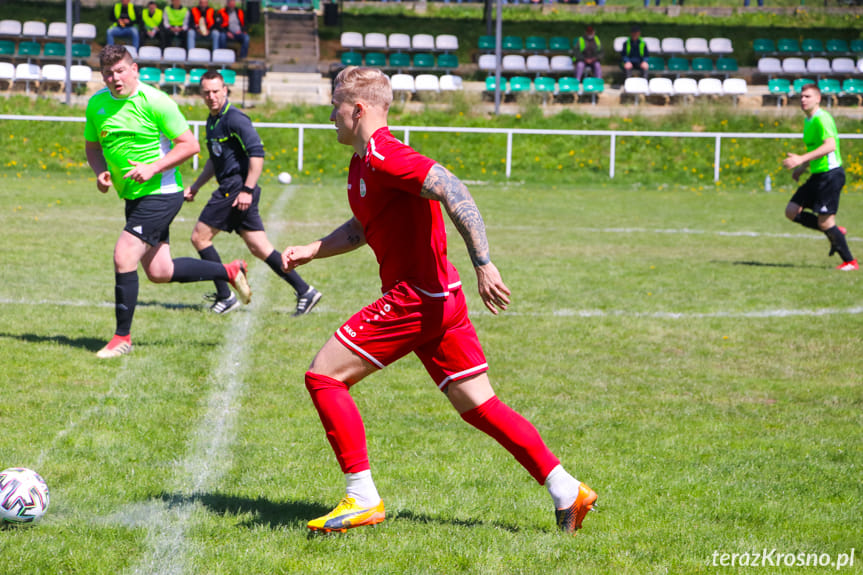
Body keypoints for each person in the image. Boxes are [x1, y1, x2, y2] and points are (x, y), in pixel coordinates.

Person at [281, 67, 597, 535]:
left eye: (335, 106)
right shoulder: (362, 163)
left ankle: (361, 497)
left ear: (358, 110)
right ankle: (568, 490)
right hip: (441, 298)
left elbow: (452, 187)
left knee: (324, 376)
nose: (330, 115)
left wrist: (484, 262)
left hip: (416, 298)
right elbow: (364, 228)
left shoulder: (388, 155)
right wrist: (314, 248)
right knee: (479, 405)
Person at [84, 46, 252, 359]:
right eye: (108, 73)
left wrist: (153, 167)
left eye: (120, 70)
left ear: (134, 69)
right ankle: (228, 271)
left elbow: (189, 146)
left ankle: (122, 337)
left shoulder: (156, 101)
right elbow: (92, 146)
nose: (114, 78)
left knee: (124, 256)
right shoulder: (97, 104)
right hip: (132, 196)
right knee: (160, 270)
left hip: (162, 192)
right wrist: (100, 172)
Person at [184, 71, 322, 315]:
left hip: (235, 189)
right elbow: (214, 161)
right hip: (233, 189)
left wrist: (247, 189)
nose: (211, 96)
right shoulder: (212, 120)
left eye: (216, 91)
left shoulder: (235, 119)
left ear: (225, 90)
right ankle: (305, 291)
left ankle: (225, 297)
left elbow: (257, 153)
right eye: (206, 92)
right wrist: (195, 186)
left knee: (200, 238)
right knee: (260, 247)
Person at [782, 83, 857, 271]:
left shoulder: (822, 119)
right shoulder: (808, 121)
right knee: (791, 211)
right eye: (801, 97)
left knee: (825, 221)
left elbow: (830, 146)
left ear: (818, 99)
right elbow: (816, 150)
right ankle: (835, 232)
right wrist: (803, 168)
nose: (803, 100)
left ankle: (850, 262)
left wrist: (800, 159)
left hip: (831, 175)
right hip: (817, 175)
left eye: (807, 96)